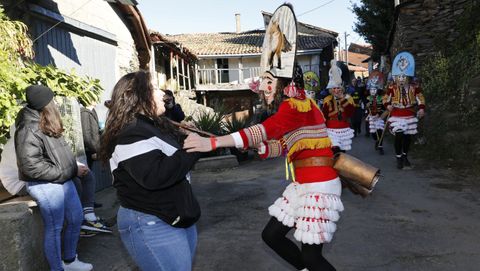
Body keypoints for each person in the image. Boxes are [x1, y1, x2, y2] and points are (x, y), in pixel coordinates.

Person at [184, 4, 342, 270]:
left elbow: (262, 130)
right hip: (304, 185)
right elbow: (287, 143)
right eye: (264, 81)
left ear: (284, 83)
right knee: (272, 236)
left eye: (269, 81)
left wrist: (211, 143)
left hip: (318, 187)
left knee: (312, 256)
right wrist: (265, 150)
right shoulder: (299, 105)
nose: (264, 88)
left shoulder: (296, 105)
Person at [99, 70, 202, 270]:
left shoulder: (152, 126)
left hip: (173, 215)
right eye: (154, 88)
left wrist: (190, 139)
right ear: (139, 96)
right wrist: (194, 147)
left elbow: (172, 156)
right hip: (150, 221)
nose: (162, 93)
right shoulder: (131, 132)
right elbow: (155, 176)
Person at [14, 85, 92, 271]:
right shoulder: (28, 128)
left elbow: (60, 154)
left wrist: (72, 168)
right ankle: (57, 268)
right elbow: (30, 165)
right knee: (55, 228)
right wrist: (62, 173)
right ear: (44, 104)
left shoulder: (47, 120)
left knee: (75, 219)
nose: (55, 102)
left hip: (63, 181)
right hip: (46, 185)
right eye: (52, 99)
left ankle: (70, 260)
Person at [383, 52, 425, 169]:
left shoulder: (414, 87)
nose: (401, 79)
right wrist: (387, 105)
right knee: (399, 135)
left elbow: (420, 98)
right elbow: (385, 98)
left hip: (409, 114)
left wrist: (421, 109)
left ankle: (405, 156)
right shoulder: (392, 88)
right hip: (397, 114)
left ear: (407, 77)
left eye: (403, 77)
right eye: (399, 77)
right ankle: (398, 157)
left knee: (407, 137)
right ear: (396, 77)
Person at [79, 103, 112, 237]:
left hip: (90, 149)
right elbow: (87, 134)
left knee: (89, 177)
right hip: (88, 150)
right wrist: (96, 149)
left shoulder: (89, 111)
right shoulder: (85, 112)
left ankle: (89, 205)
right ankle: (88, 212)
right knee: (88, 177)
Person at [322, 60, 355, 153]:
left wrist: (342, 99)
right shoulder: (327, 99)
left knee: (342, 153)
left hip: (343, 128)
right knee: (334, 150)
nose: (336, 90)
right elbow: (324, 116)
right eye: (334, 88)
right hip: (331, 129)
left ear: (342, 88)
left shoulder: (348, 98)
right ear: (331, 89)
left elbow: (350, 113)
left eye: (338, 88)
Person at [365, 70, 387, 155]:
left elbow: (383, 107)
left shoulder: (381, 98)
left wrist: (380, 113)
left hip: (379, 117)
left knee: (380, 132)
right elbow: (367, 110)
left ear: (377, 90)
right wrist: (367, 110)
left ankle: (380, 147)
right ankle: (376, 141)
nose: (373, 91)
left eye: (374, 90)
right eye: (371, 90)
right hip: (372, 117)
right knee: (374, 133)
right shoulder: (368, 99)